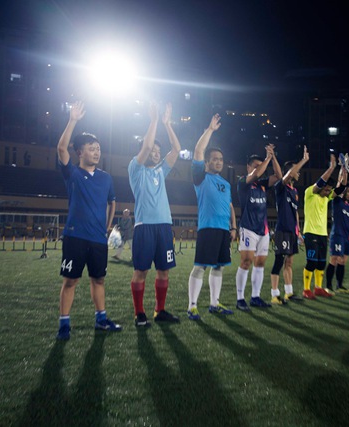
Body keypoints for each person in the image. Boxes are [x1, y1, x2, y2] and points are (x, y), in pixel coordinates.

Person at [55, 101, 121, 340]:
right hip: (75, 236)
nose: (96, 152)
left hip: (98, 239)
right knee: (70, 280)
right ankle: (64, 324)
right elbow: (61, 148)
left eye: (98, 149)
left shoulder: (106, 178)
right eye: (92, 148)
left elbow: (112, 202)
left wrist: (107, 226)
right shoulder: (72, 173)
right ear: (80, 152)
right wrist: (72, 120)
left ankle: (101, 319)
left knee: (99, 279)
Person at [128, 102, 182, 327]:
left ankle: (160, 311)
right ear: (142, 152)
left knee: (164, 271)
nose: (156, 153)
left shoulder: (161, 170)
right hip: (144, 227)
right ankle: (139, 313)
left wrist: (167, 124)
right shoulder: (135, 169)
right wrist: (154, 120)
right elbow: (148, 145)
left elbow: (177, 149)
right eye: (152, 151)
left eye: (158, 152)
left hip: (164, 226)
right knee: (141, 271)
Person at [187, 113, 237, 320]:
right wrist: (210, 130)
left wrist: (233, 227)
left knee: (218, 267)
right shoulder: (200, 177)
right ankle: (192, 306)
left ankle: (214, 304)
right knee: (200, 266)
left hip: (224, 230)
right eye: (214, 159)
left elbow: (230, 206)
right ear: (206, 162)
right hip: (207, 228)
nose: (219, 162)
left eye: (221, 159)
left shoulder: (226, 184)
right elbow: (198, 150)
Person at [235, 145, 282, 311]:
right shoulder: (243, 182)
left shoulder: (263, 184)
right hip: (248, 228)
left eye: (260, 166)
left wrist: (273, 157)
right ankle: (240, 298)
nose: (259, 169)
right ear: (248, 167)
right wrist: (267, 159)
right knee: (246, 261)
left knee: (260, 263)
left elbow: (279, 176)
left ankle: (255, 297)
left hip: (264, 230)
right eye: (255, 166)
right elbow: (255, 175)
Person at [269, 147, 309, 304]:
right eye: (296, 170)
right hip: (282, 230)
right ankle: (274, 294)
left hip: (292, 231)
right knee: (279, 261)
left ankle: (289, 293)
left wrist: (298, 231)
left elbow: (296, 212)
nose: (298, 173)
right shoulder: (281, 187)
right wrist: (304, 160)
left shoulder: (295, 191)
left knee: (289, 262)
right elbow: (290, 174)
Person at [302, 153, 338, 299]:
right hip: (310, 233)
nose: (328, 192)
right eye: (326, 189)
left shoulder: (326, 198)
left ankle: (318, 288)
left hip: (323, 234)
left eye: (329, 190)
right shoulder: (310, 193)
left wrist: (343, 170)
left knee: (321, 263)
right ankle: (306, 290)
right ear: (321, 187)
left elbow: (340, 189)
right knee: (311, 262)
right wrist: (331, 168)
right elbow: (320, 181)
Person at [325, 166, 349, 294]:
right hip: (337, 235)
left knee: (343, 261)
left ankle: (340, 285)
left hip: (347, 238)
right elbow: (339, 184)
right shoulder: (337, 201)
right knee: (334, 260)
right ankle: (328, 286)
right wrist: (343, 170)